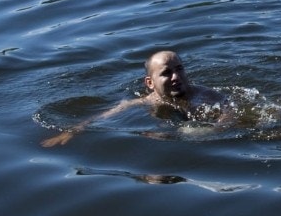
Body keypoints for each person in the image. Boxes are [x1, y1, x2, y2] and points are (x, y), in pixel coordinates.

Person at [41, 50, 227, 147]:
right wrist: (74, 130)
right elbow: (105, 116)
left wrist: (218, 128)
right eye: (166, 73)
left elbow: (231, 110)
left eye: (179, 69)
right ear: (150, 83)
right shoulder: (144, 102)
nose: (176, 77)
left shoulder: (206, 95)